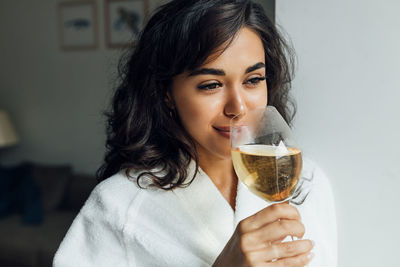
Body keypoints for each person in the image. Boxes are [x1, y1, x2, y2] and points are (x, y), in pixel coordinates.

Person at [53, 0, 337, 266]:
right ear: (167, 94)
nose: (238, 107)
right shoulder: (118, 206)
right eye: (211, 85)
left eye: (253, 80)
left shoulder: (308, 184)